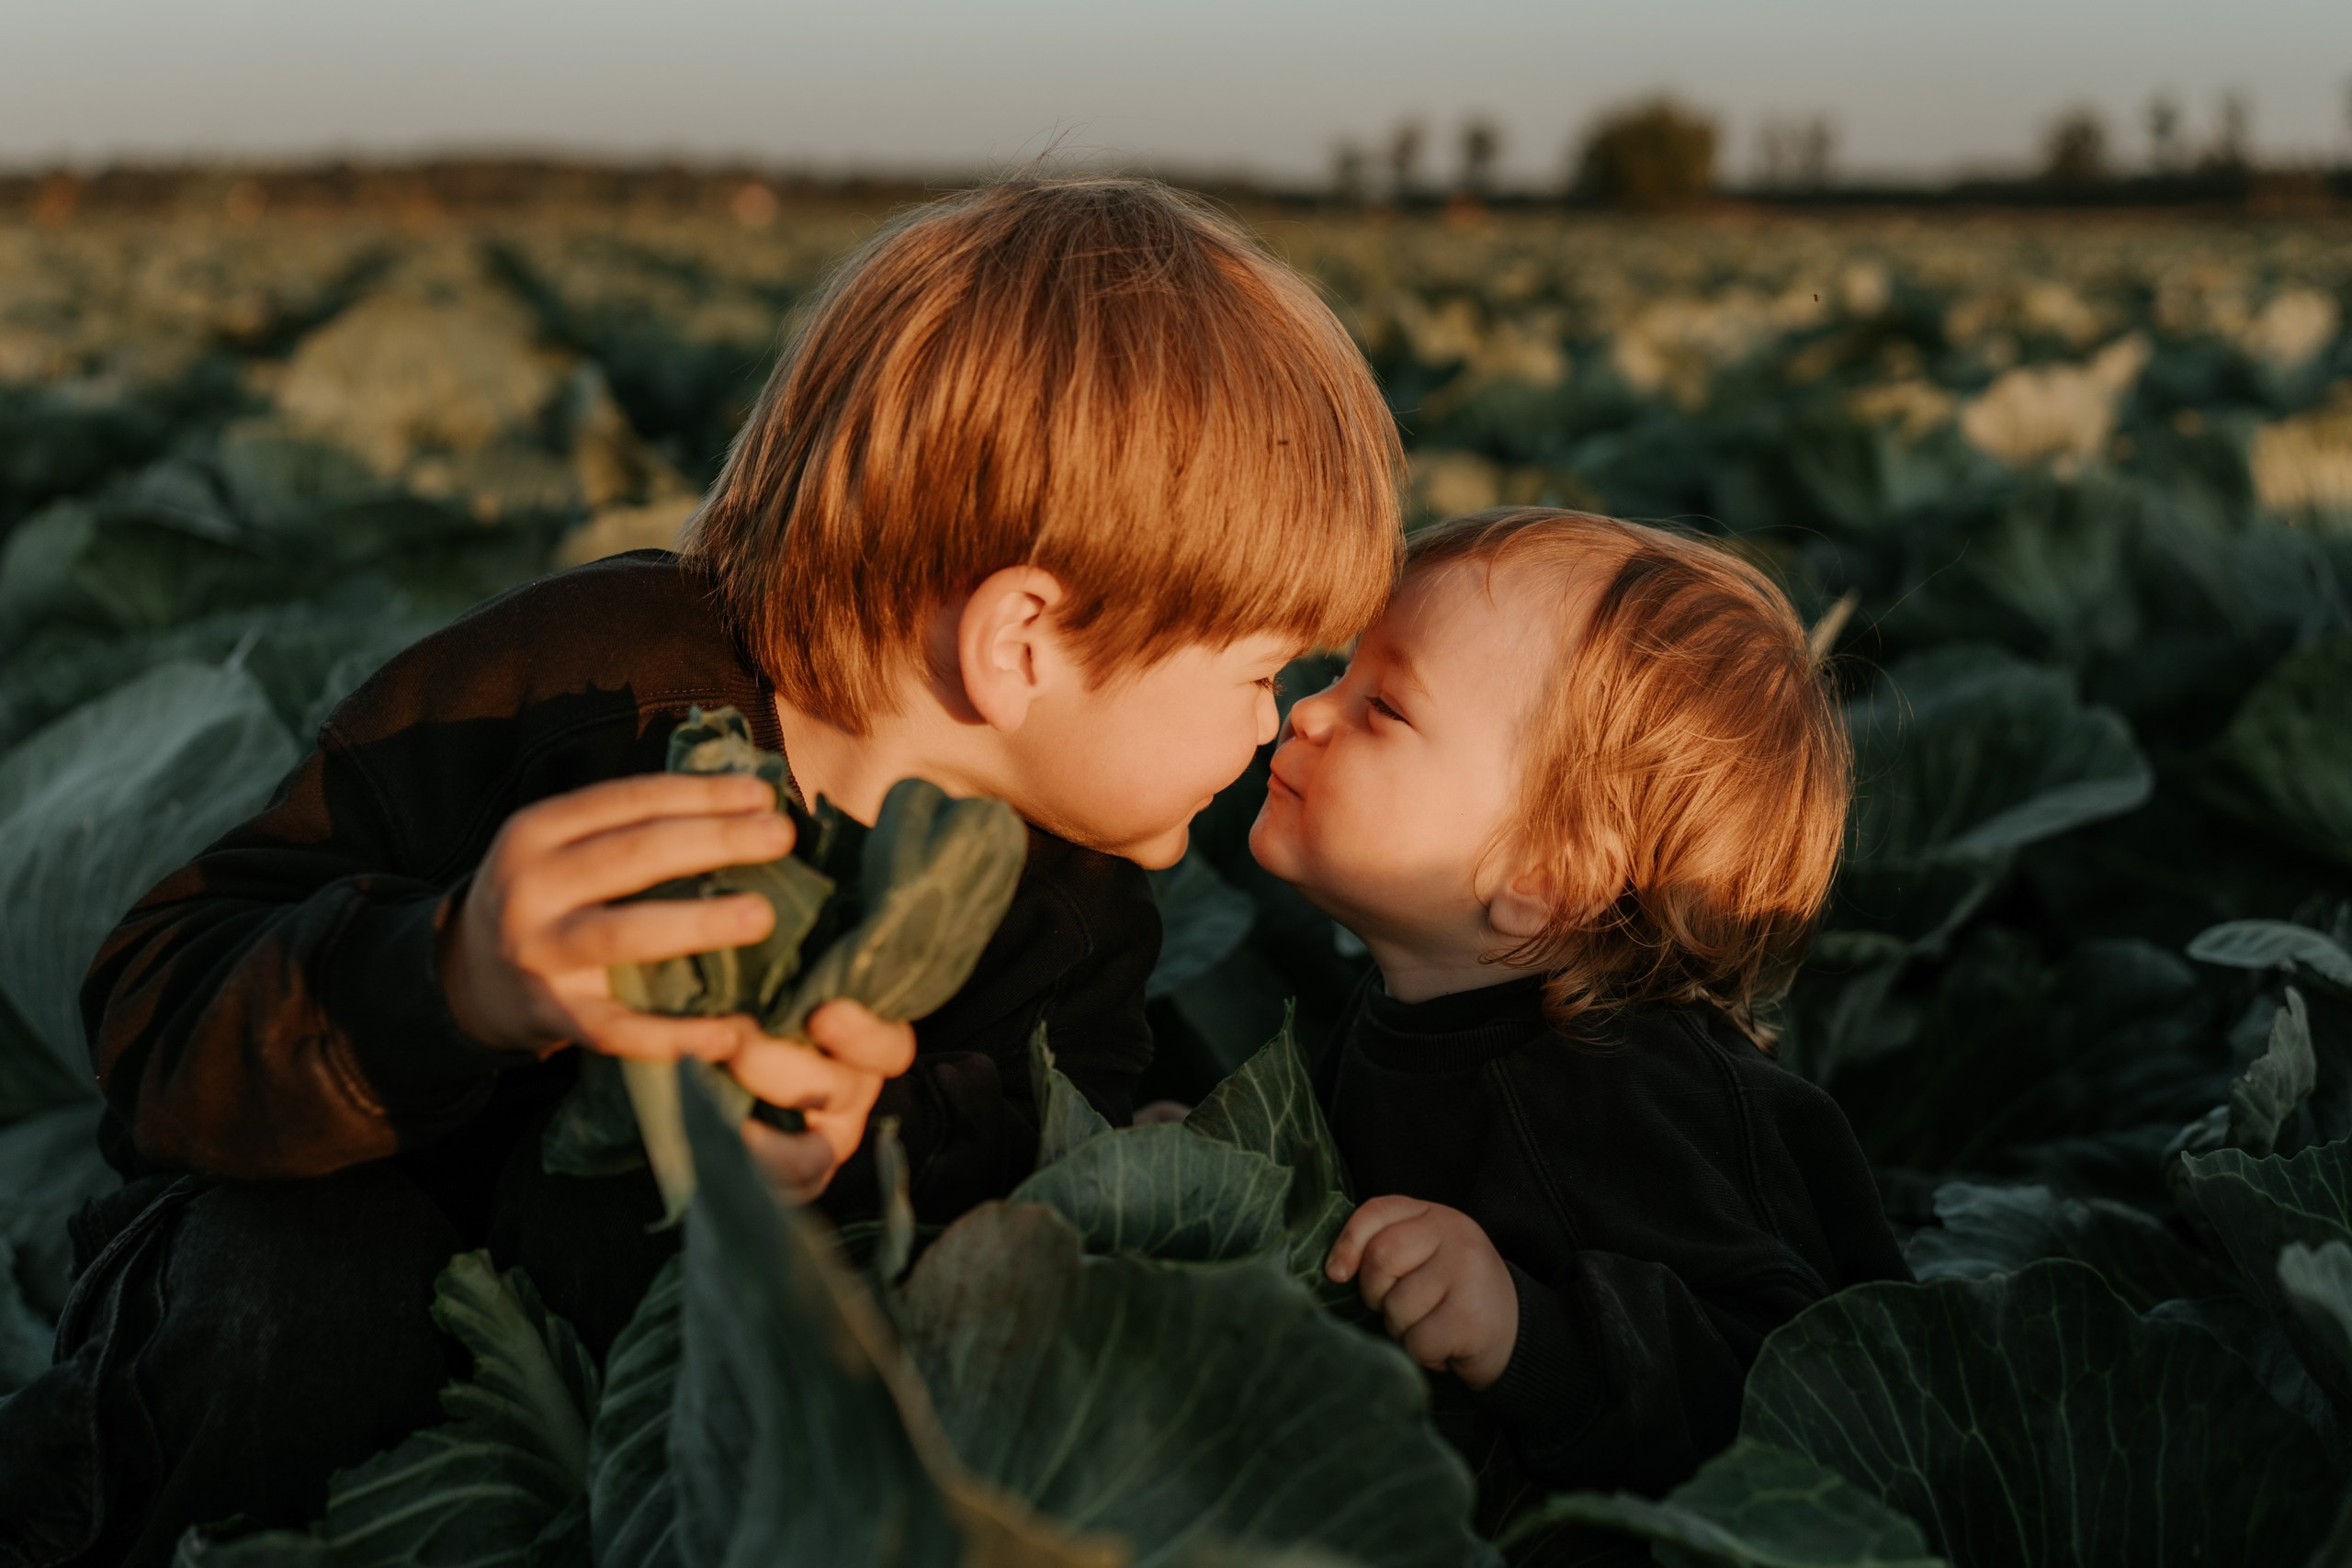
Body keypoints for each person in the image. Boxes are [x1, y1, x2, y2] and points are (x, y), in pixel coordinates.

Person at [0, 176, 1402, 1568]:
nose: (1271, 720)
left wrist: (875, 1137)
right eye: (1261, 670)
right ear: (1021, 640)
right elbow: (152, 1007)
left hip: (647, 1446)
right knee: (299, 1288)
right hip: (282, 1383)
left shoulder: (1077, 905)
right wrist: (459, 974)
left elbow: (1038, 1196)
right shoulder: (555, 696)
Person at [1248, 508, 1908, 1538]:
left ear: (1543, 878)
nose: (1307, 712)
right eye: (1340, 673)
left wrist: (1529, 1333)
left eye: (1382, 706)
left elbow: (1800, 1399)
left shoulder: (1636, 1093)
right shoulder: (1403, 1007)